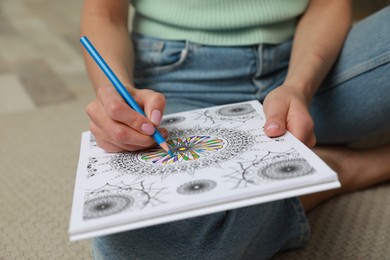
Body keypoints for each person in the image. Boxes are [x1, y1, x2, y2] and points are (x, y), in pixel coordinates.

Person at [80, 0, 390, 259]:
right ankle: (339, 169)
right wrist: (117, 96)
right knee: (144, 243)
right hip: (177, 80)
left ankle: (293, 168)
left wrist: (298, 87)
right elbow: (103, 14)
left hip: (308, 59)